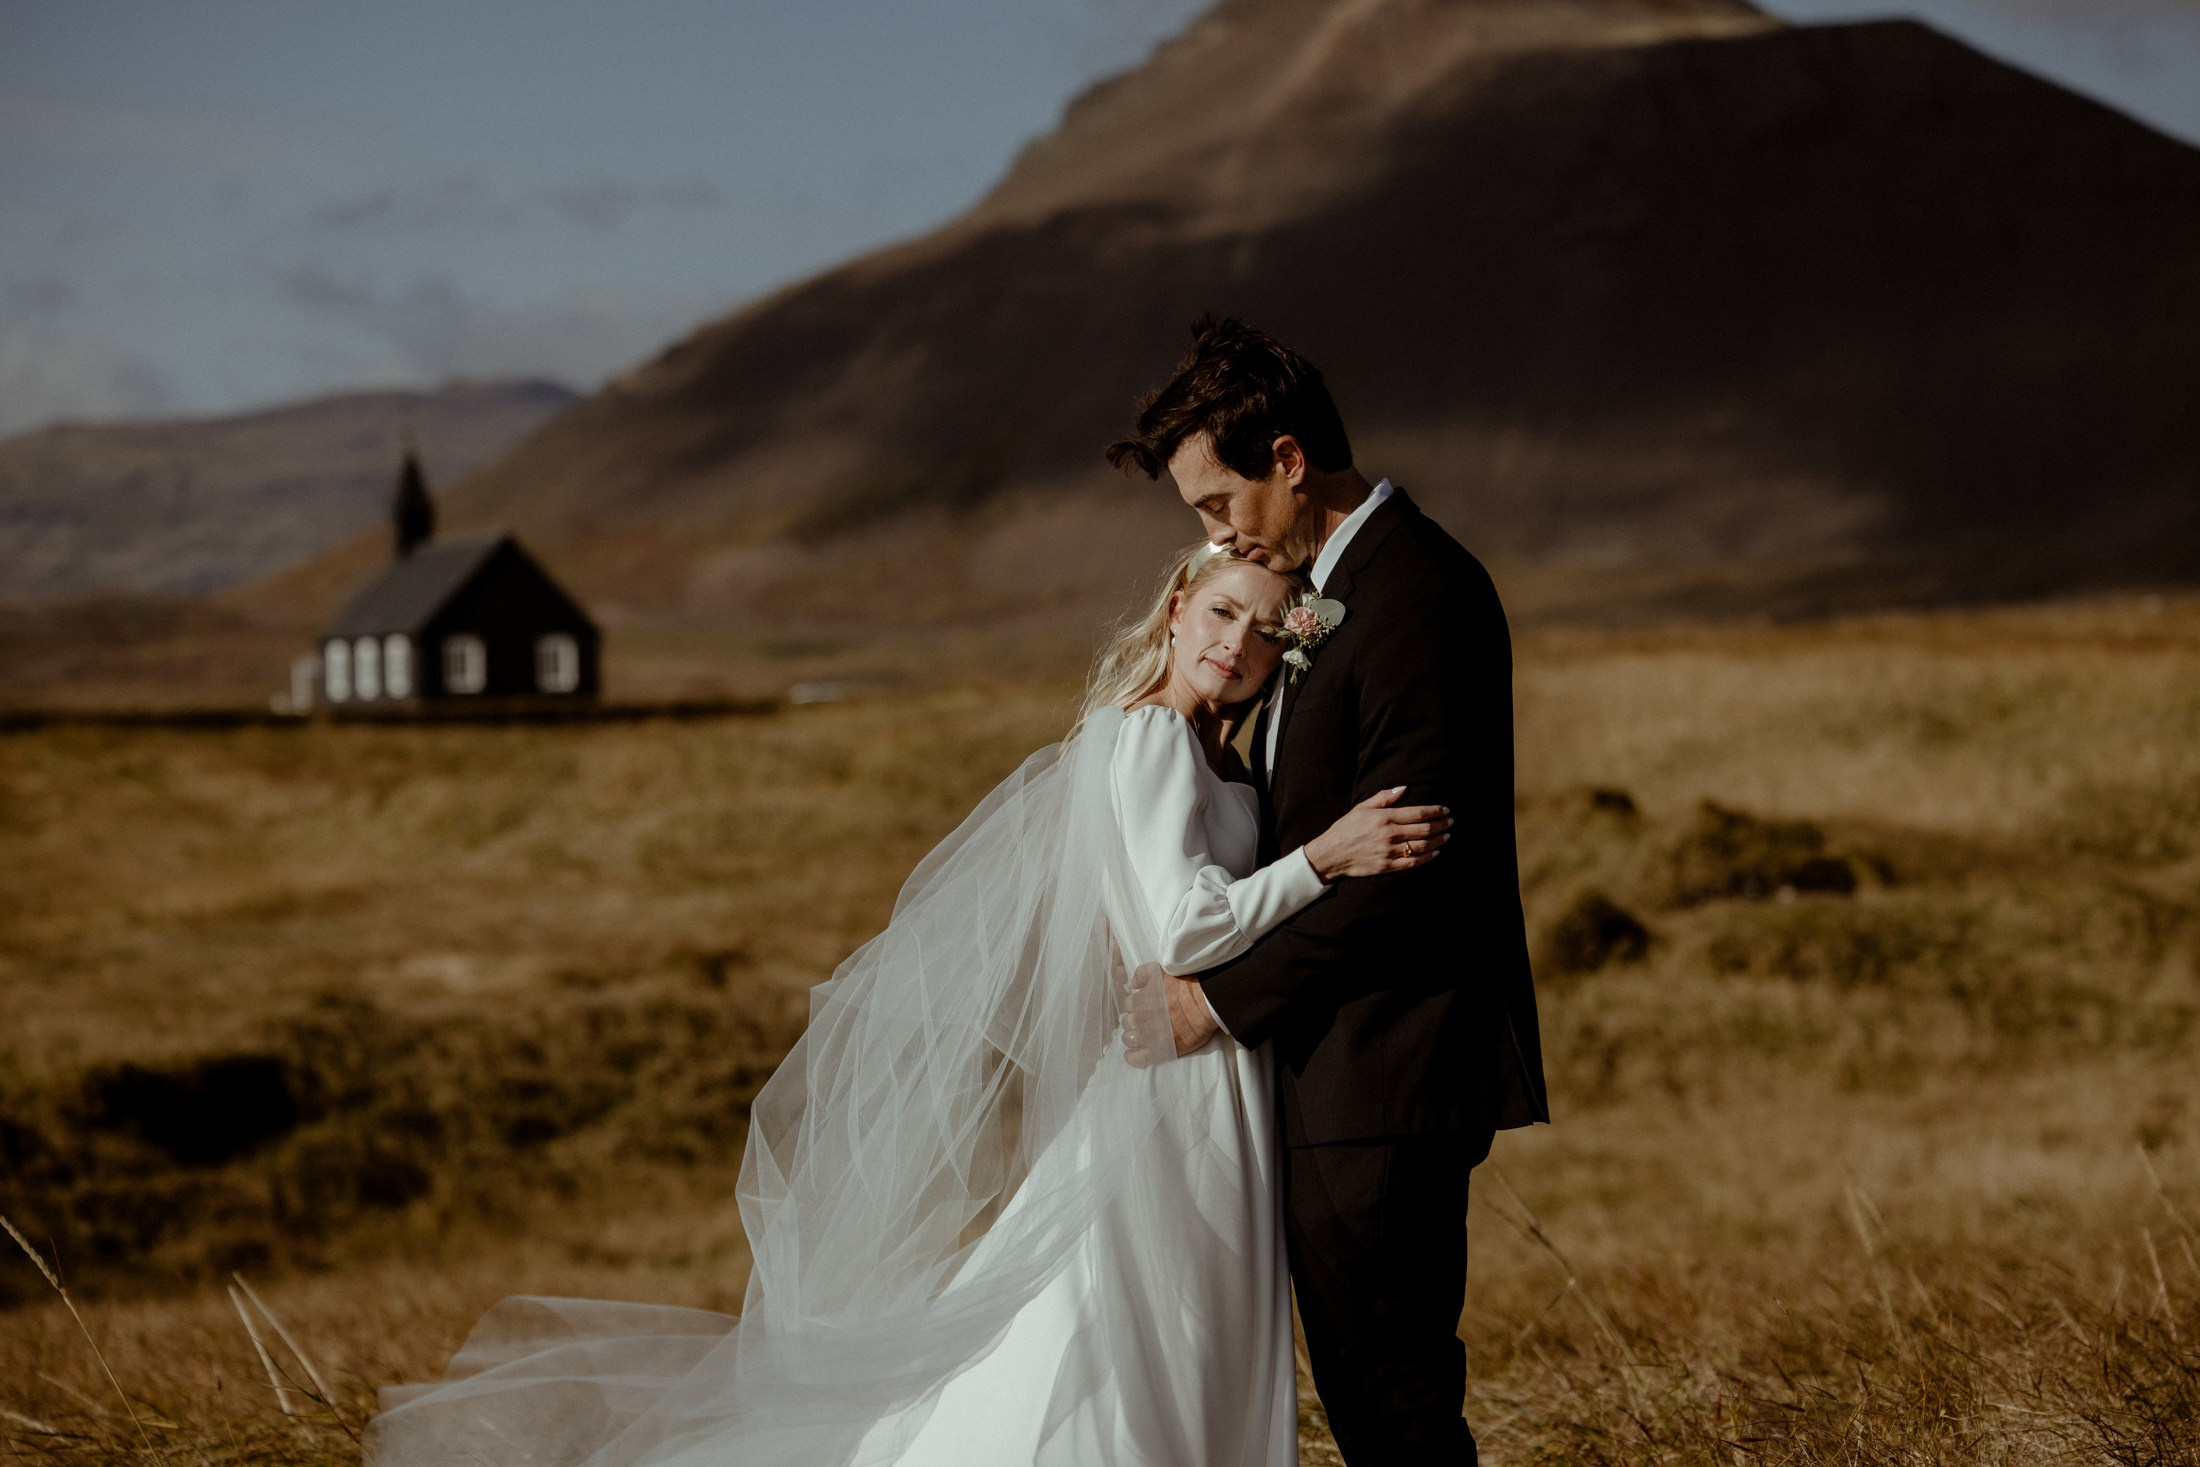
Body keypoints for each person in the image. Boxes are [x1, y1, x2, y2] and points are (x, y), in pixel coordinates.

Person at [368, 540, 1453, 1466]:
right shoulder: (1155, 738)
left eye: (1269, 631)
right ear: (1175, 608)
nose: (1238, 644)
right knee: (1137, 1328)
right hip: (1178, 1096)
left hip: (1197, 1082)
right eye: (1221, 612)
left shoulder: (1211, 754)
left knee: (1157, 1323)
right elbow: (1182, 930)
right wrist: (1326, 854)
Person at [1110, 315, 1549, 1466]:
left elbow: (1412, 868)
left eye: (1220, 505)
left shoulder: (1419, 592)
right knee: (1369, 1397)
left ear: (1290, 461)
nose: (1215, 535)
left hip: (1389, 1065)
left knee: (1391, 1402)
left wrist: (1218, 1004)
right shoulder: (1325, 595)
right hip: (1337, 1072)